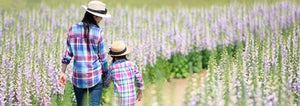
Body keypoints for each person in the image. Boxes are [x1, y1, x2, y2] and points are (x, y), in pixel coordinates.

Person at [59, 1, 111, 106]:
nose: (101, 19)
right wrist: (106, 74)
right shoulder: (98, 32)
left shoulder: (73, 28)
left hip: (78, 76)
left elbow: (68, 54)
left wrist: (63, 72)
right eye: (100, 17)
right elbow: (102, 57)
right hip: (94, 76)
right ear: (95, 16)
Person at [104, 41, 145, 106]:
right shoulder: (132, 65)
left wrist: (104, 85)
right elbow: (139, 79)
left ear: (113, 56)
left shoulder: (111, 67)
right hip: (131, 97)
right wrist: (140, 91)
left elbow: (107, 82)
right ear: (125, 54)